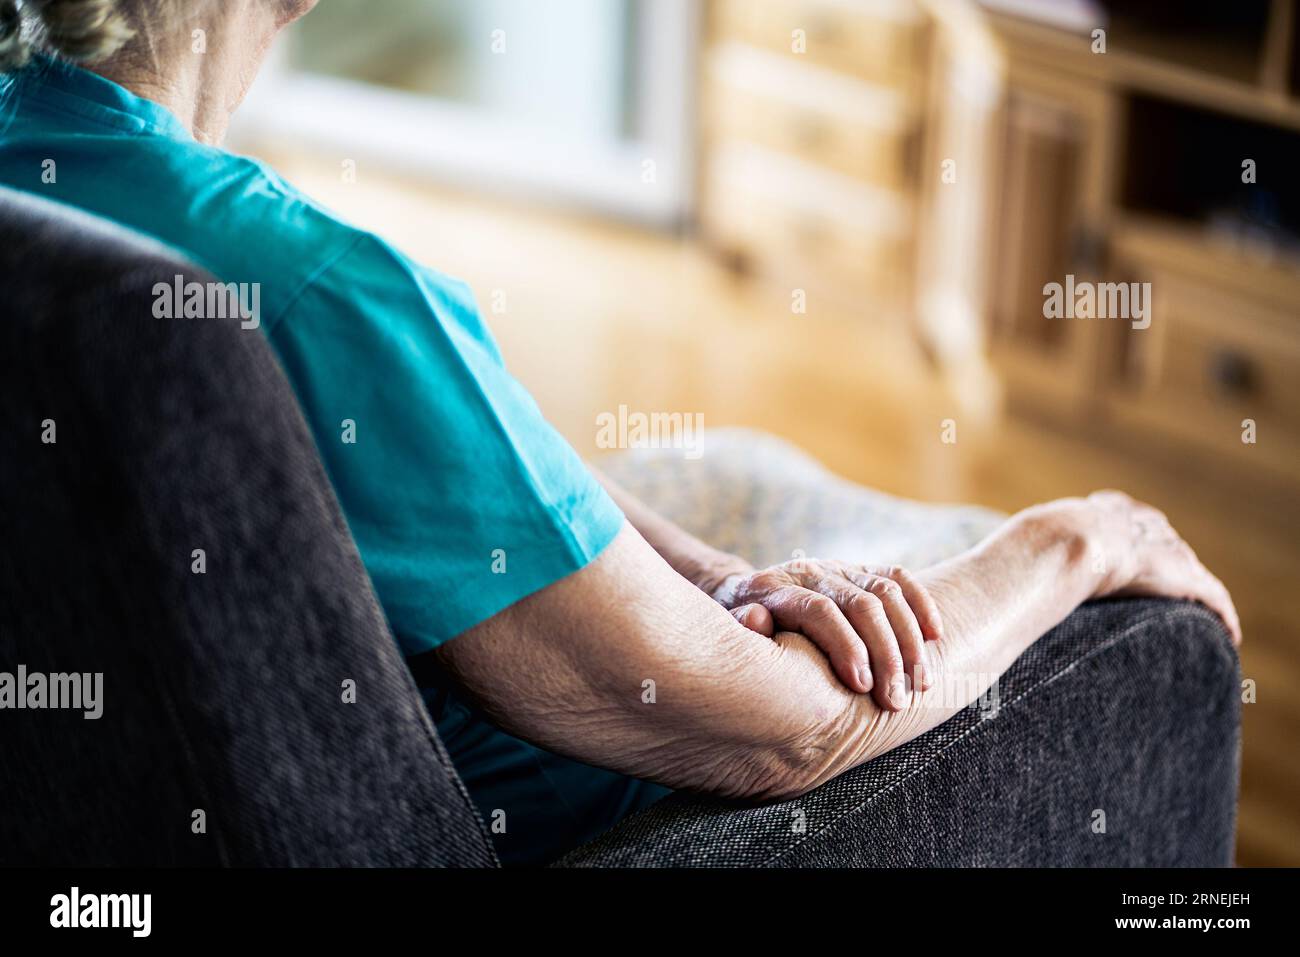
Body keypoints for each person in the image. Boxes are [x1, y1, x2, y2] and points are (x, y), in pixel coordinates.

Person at [0, 0, 1241, 866]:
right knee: (1147, 633)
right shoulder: (320, 293)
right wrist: (1075, 539)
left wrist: (725, 580)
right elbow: (789, 728)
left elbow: (456, 462)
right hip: (568, 817)